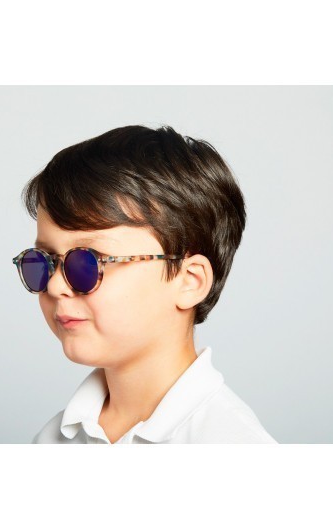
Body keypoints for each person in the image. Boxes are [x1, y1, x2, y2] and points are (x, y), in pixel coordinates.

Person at [15, 124, 276, 444]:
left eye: (87, 262)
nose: (55, 286)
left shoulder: (232, 443)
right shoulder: (54, 438)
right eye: (43, 261)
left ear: (189, 281)